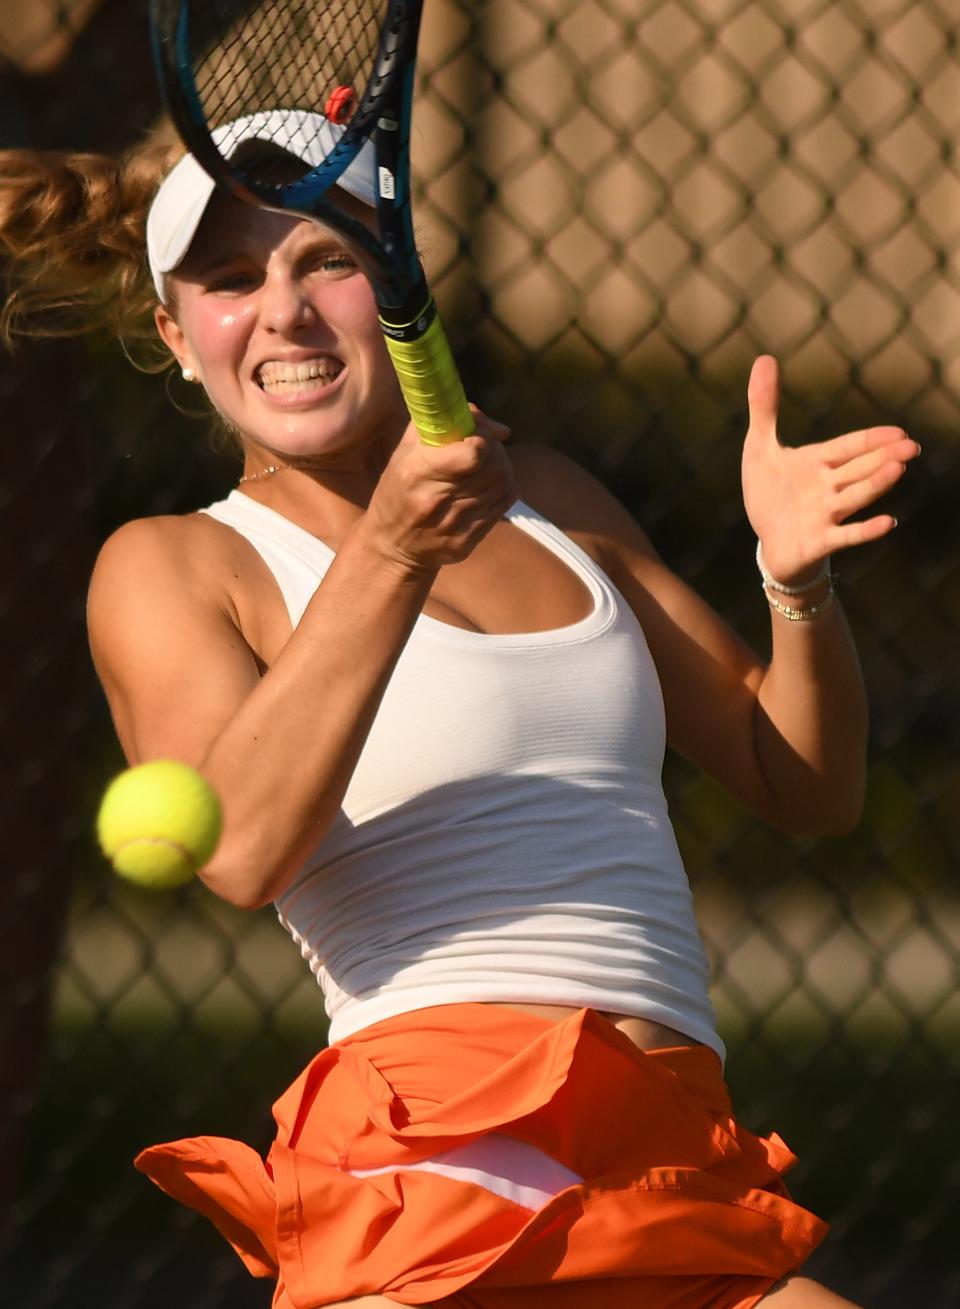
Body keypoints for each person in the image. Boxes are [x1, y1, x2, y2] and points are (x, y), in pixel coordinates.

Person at [0, 110, 920, 1309]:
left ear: (401, 287)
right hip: (432, 1166)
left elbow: (802, 779)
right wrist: (390, 548)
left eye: (325, 258)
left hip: (668, 1158)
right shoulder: (175, 565)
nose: (282, 308)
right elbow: (242, 849)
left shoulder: (550, 499)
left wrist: (794, 583)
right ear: (178, 336)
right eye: (231, 280)